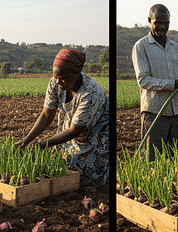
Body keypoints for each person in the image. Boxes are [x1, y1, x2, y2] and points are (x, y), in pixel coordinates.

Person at [18, 49, 109, 187]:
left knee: (88, 176)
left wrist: (44, 144)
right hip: (73, 122)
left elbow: (74, 130)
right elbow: (47, 114)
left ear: (76, 73)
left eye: (63, 77)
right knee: (66, 166)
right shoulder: (55, 82)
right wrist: (26, 140)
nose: (59, 81)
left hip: (96, 129)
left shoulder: (91, 92)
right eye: (56, 77)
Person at [132, 4, 178, 160]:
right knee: (153, 159)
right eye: (158, 22)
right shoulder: (141, 46)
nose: (162, 26)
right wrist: (174, 84)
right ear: (149, 21)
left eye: (166, 23)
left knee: (172, 158)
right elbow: (144, 80)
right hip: (154, 111)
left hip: (175, 111)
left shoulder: (175, 47)